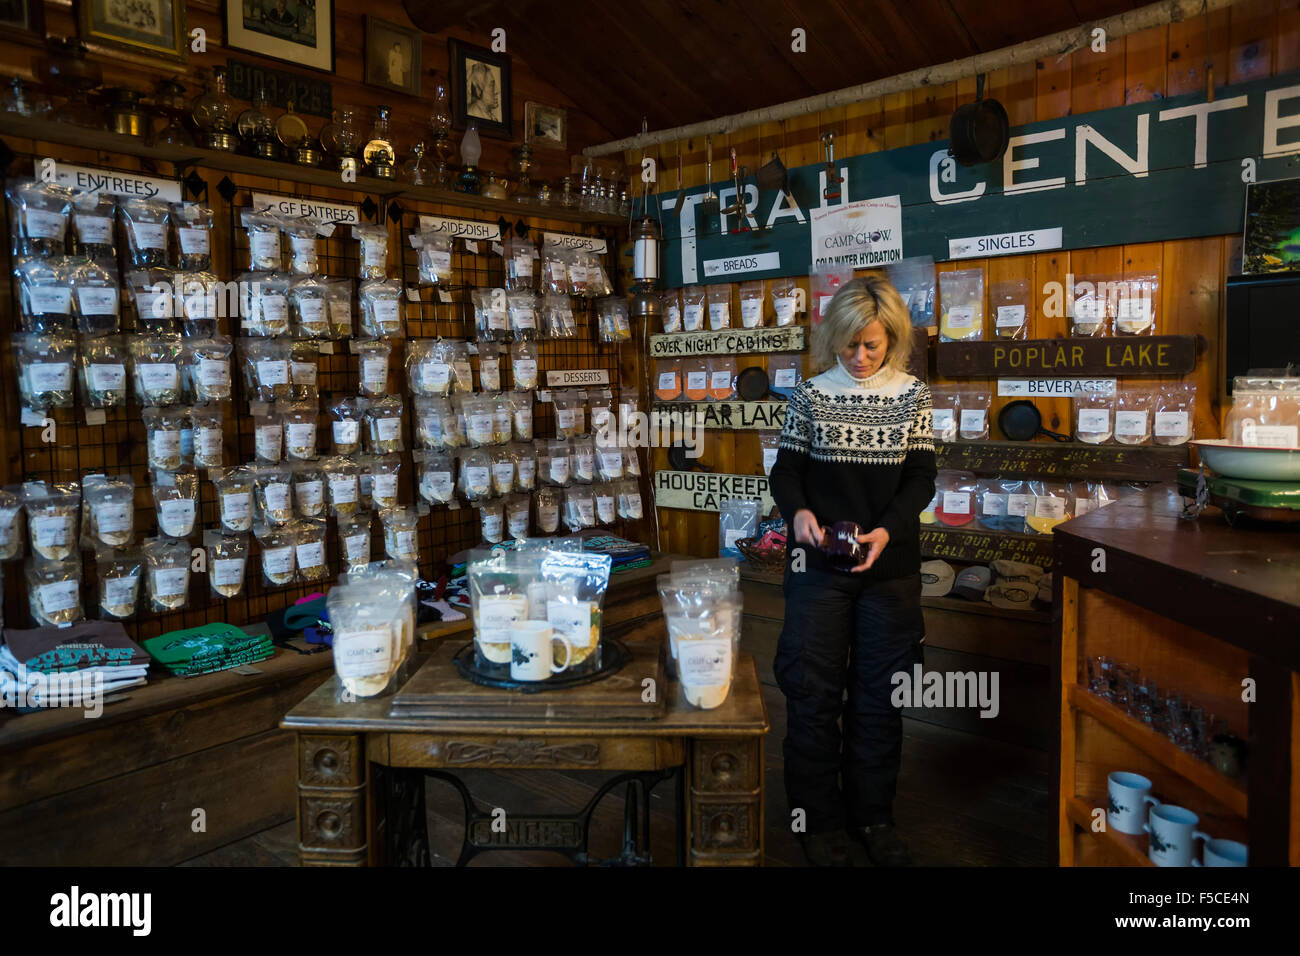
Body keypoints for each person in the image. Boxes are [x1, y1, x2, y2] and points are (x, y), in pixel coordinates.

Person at [768, 274, 936, 867]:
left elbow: (921, 479)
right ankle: (816, 822)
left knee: (881, 698)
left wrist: (887, 529)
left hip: (890, 572)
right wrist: (800, 515)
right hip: (818, 568)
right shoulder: (810, 396)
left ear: (893, 337)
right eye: (848, 345)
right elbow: (785, 474)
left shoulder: (913, 395)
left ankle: (874, 818)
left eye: (872, 345)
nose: (860, 357)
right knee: (812, 693)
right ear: (831, 339)